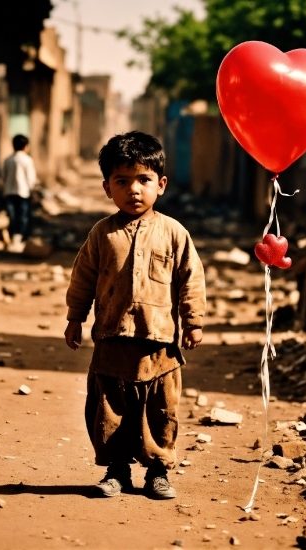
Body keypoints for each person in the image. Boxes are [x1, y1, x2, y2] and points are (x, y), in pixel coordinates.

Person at [64, 131, 206, 499]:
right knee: (110, 410)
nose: (133, 190)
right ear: (107, 187)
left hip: (159, 344)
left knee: (161, 411)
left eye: (143, 180)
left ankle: (158, 472)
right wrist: (75, 317)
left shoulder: (175, 234)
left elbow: (191, 279)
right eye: (121, 181)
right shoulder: (102, 235)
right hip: (111, 340)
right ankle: (117, 470)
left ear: (160, 184)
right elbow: (83, 278)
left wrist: (193, 321)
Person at [2, 134, 37, 251]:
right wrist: (33, 192)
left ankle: (13, 237)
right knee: (23, 217)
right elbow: (31, 179)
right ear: (26, 146)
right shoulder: (27, 160)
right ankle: (20, 238)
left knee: (12, 216)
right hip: (24, 193)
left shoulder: (8, 160)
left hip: (9, 192)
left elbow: (4, 176)